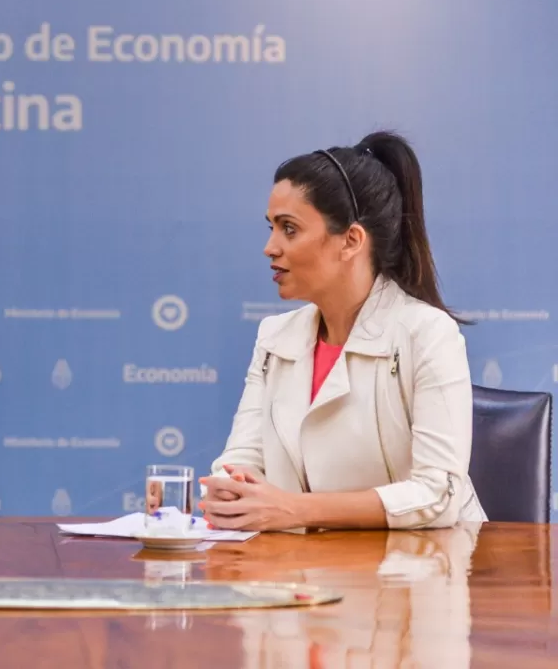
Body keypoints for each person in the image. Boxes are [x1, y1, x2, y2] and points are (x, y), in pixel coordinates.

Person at [200, 131, 486, 531]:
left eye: (289, 229)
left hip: (424, 570)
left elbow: (439, 493)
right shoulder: (273, 336)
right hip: (302, 571)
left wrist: (295, 509)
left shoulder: (427, 333)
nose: (270, 247)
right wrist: (231, 490)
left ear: (351, 240)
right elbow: (241, 459)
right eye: (271, 227)